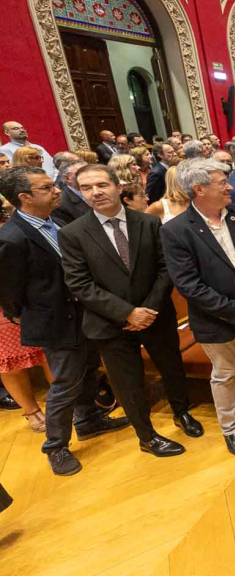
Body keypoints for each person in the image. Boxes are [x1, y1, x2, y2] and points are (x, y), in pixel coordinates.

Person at [59, 164, 202, 458]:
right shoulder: (72, 233)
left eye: (101, 185)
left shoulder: (147, 222)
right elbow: (80, 284)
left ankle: (181, 411)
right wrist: (127, 313)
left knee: (171, 366)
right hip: (110, 322)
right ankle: (146, 436)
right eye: (86, 188)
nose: (95, 192)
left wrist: (148, 308)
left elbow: (165, 269)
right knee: (128, 382)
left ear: (117, 186)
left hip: (156, 314)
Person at [0, 166, 128, 476]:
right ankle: (55, 446)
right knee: (64, 384)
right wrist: (25, 312)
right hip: (54, 322)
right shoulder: (11, 238)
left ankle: (88, 422)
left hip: (82, 315)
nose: (57, 190)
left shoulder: (54, 220)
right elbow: (9, 290)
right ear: (24, 197)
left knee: (86, 372)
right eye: (46, 188)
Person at [161, 158, 235, 458]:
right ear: (198, 189)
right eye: (221, 182)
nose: (229, 187)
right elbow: (189, 285)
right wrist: (234, 308)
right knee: (225, 375)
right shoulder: (176, 230)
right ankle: (231, 429)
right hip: (218, 318)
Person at [0, 193, 50, 432]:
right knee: (10, 362)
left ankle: (61, 404)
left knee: (48, 352)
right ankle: (31, 411)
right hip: (2, 308)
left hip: (28, 298)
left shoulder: (12, 224)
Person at [50, 160, 89, 225]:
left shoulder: (100, 191)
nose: (90, 176)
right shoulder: (61, 204)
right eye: (83, 173)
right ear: (67, 178)